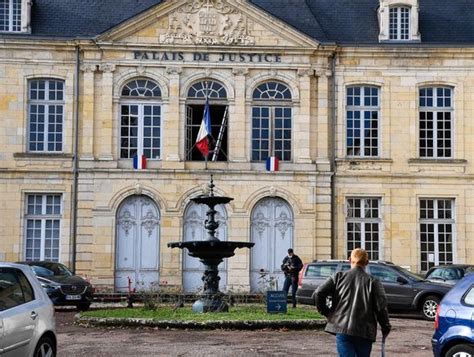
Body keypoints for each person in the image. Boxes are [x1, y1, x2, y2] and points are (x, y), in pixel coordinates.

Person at [315, 248, 391, 357]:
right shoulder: (373, 281)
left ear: (349, 259)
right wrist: (385, 326)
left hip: (342, 327)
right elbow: (381, 307)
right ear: (367, 262)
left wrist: (327, 312)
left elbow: (318, 293)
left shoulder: (338, 277)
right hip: (364, 330)